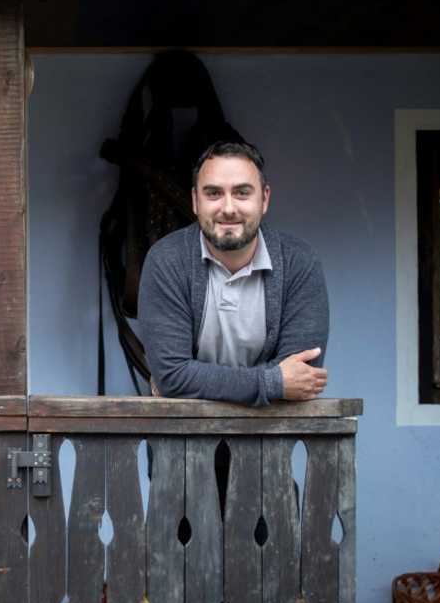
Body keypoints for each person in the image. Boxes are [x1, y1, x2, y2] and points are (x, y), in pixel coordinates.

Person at [138, 141, 329, 405]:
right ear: (195, 201)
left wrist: (196, 379)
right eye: (214, 193)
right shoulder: (167, 260)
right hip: (179, 441)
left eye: (241, 193)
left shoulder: (299, 262)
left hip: (270, 441)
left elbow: (302, 376)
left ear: (264, 199)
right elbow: (172, 375)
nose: (228, 208)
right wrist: (272, 382)